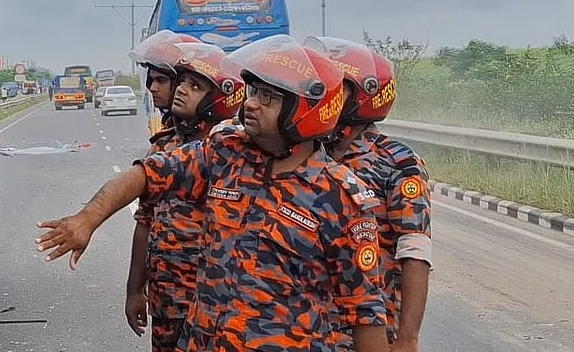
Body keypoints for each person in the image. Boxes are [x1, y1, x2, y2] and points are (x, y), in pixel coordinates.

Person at [38, 35, 390, 352]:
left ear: (307, 110)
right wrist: (88, 219)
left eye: (267, 97)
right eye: (252, 92)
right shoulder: (223, 153)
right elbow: (146, 175)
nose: (250, 104)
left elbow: (365, 313)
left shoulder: (342, 199)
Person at [304, 37, 432, 352]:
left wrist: (407, 338)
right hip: (305, 327)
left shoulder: (397, 163)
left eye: (337, 87)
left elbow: (414, 253)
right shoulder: (304, 152)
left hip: (368, 331)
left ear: (362, 97)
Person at [127, 42, 245, 351]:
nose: (179, 90)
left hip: (216, 302)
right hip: (167, 298)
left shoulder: (234, 157)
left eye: (194, 86)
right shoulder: (163, 148)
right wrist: (134, 290)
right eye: (181, 82)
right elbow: (145, 222)